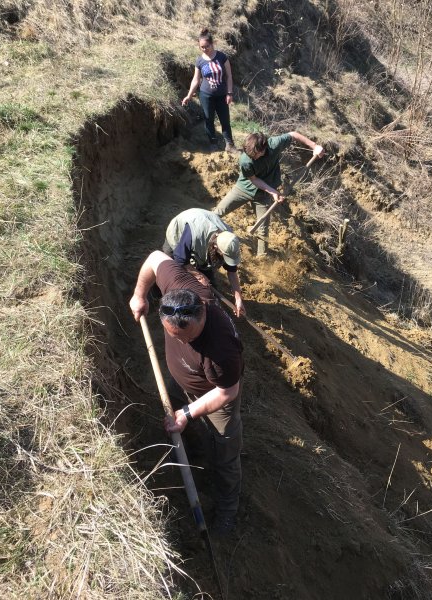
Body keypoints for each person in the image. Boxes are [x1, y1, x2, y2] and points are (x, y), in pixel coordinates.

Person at [129, 251, 244, 535]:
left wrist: (188, 413)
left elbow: (228, 391)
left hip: (214, 397)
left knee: (225, 454)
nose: (180, 340)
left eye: (187, 336)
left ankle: (228, 508)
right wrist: (139, 295)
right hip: (179, 382)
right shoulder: (179, 288)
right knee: (185, 427)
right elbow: (155, 258)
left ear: (202, 313)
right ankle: (193, 451)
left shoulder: (222, 351)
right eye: (172, 334)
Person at [214, 131, 324, 256]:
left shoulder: (274, 144)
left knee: (263, 230)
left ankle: (262, 256)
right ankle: (205, 233)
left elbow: (293, 134)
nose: (252, 157)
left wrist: (314, 146)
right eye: (249, 154)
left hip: (263, 196)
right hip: (243, 188)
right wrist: (273, 191)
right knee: (218, 212)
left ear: (263, 149)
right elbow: (254, 179)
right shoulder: (245, 160)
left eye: (255, 155)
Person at [163, 207, 246, 317]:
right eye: (223, 255)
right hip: (179, 231)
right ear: (215, 246)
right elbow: (180, 259)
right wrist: (199, 275)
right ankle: (156, 294)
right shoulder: (194, 234)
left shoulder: (229, 242)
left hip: (203, 237)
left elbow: (232, 271)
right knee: (168, 269)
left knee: (210, 288)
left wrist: (238, 297)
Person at [182, 28, 236, 153]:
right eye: (202, 47)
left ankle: (230, 145)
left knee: (225, 120)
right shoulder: (199, 61)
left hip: (222, 95)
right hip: (206, 95)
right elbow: (196, 80)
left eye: (207, 46)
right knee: (209, 120)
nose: (205, 49)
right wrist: (189, 95)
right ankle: (213, 144)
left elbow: (229, 76)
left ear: (212, 44)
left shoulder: (222, 57)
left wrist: (229, 93)